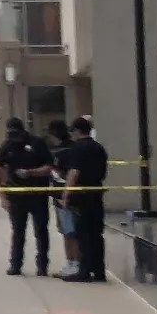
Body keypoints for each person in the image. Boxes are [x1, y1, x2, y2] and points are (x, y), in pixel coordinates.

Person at [0, 117, 57, 276]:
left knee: (41, 231)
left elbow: (49, 167)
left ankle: (42, 266)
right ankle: (15, 264)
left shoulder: (37, 143)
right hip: (16, 195)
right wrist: (2, 196)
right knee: (18, 231)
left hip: (38, 194)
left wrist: (30, 173)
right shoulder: (7, 144)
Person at [56, 115, 112, 282]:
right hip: (96, 192)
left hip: (81, 196)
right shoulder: (98, 147)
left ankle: (84, 271)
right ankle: (99, 271)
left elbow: (74, 172)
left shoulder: (78, 148)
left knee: (83, 234)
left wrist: (66, 195)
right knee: (96, 234)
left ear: (77, 131)